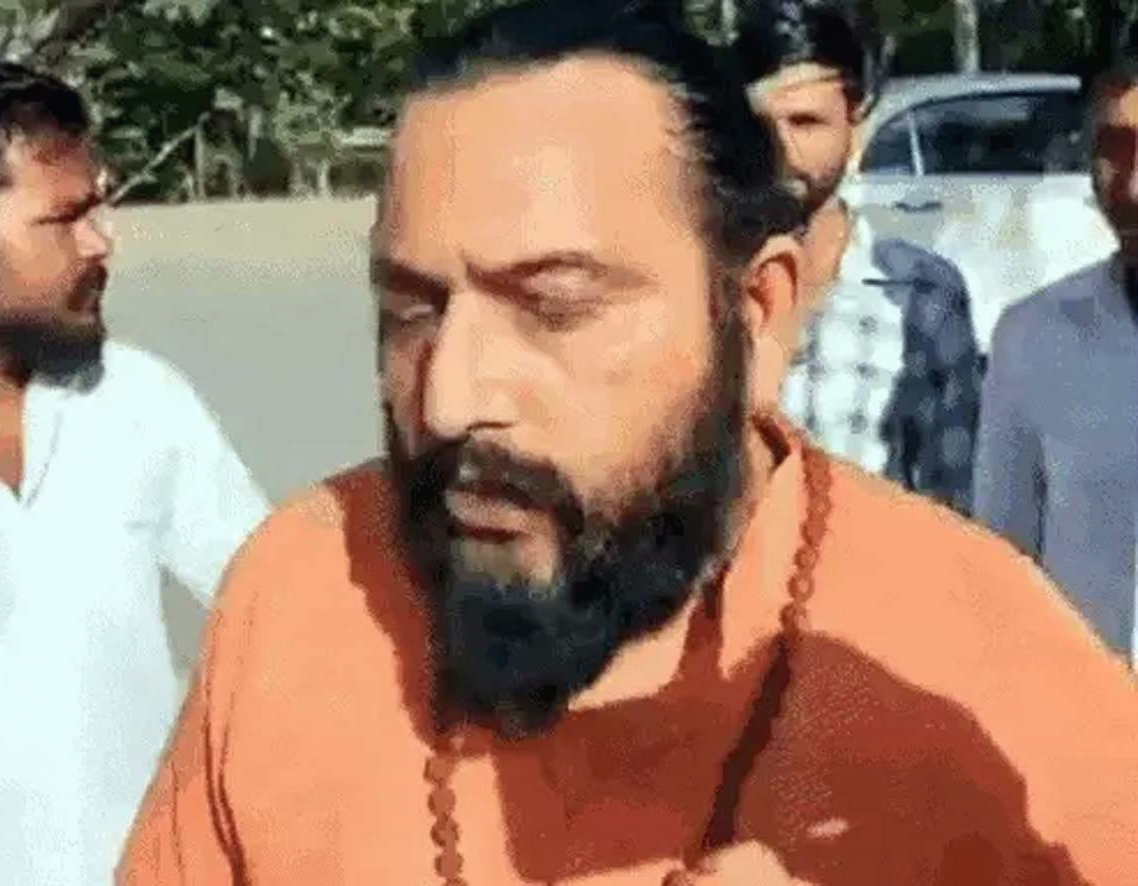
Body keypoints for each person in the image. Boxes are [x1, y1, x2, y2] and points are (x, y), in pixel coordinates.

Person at [120, 2, 1138, 884]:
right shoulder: (298, 594)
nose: (449, 398)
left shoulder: (988, 677)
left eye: (552, 307)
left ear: (756, 315)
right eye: (410, 310)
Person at [0, 58, 269, 885]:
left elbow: (275, 605)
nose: (101, 242)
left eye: (99, 206)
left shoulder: (136, 400)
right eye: (64, 218)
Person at [736, 0, 983, 514]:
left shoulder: (922, 298)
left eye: (806, 122)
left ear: (856, 128)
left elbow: (951, 502)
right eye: (760, 126)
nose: (781, 150)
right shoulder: (700, 287)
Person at [974, 43, 1138, 668]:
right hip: (1082, 713)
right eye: (1114, 148)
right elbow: (1001, 571)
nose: (1134, 184)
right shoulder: (1034, 338)